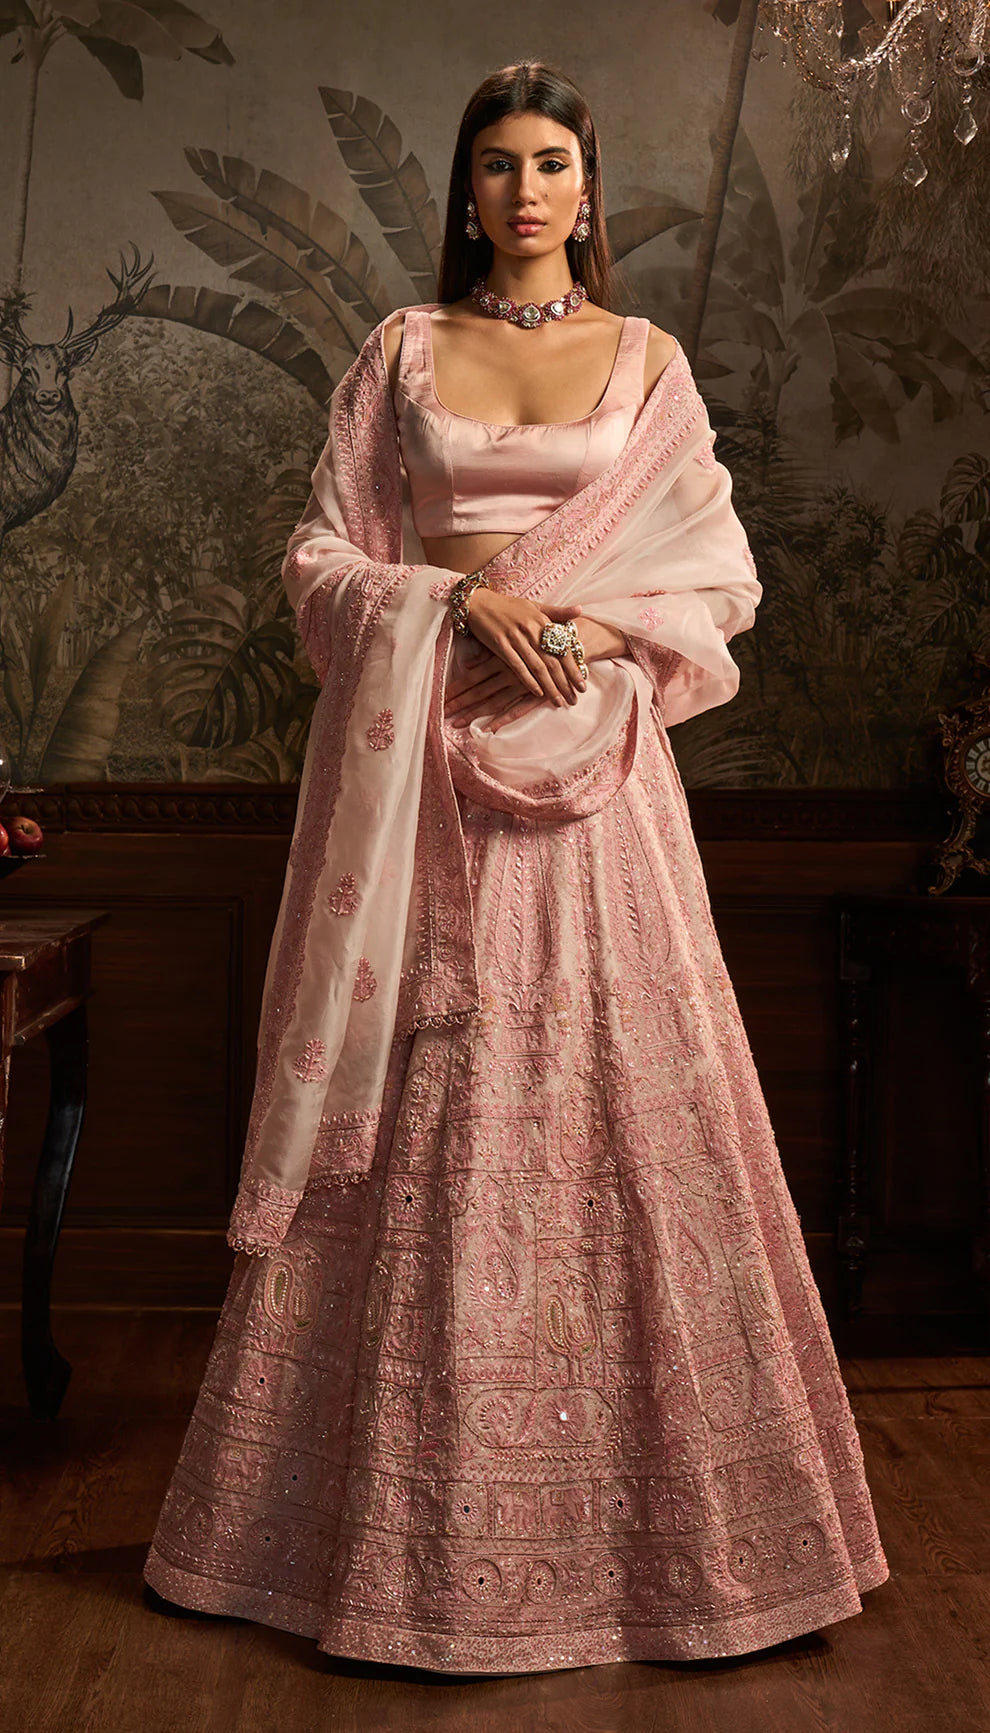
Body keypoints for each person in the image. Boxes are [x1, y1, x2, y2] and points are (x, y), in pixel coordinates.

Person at [143, 59, 888, 1674]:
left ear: (586, 185)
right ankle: (355, 1540)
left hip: (598, 781)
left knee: (622, 1102)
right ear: (466, 190)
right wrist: (450, 601)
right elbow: (320, 555)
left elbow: (717, 575)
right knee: (433, 1089)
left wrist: (582, 630)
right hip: (424, 778)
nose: (526, 190)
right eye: (497, 164)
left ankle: (668, 1550)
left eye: (551, 162)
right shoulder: (400, 351)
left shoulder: (649, 361)